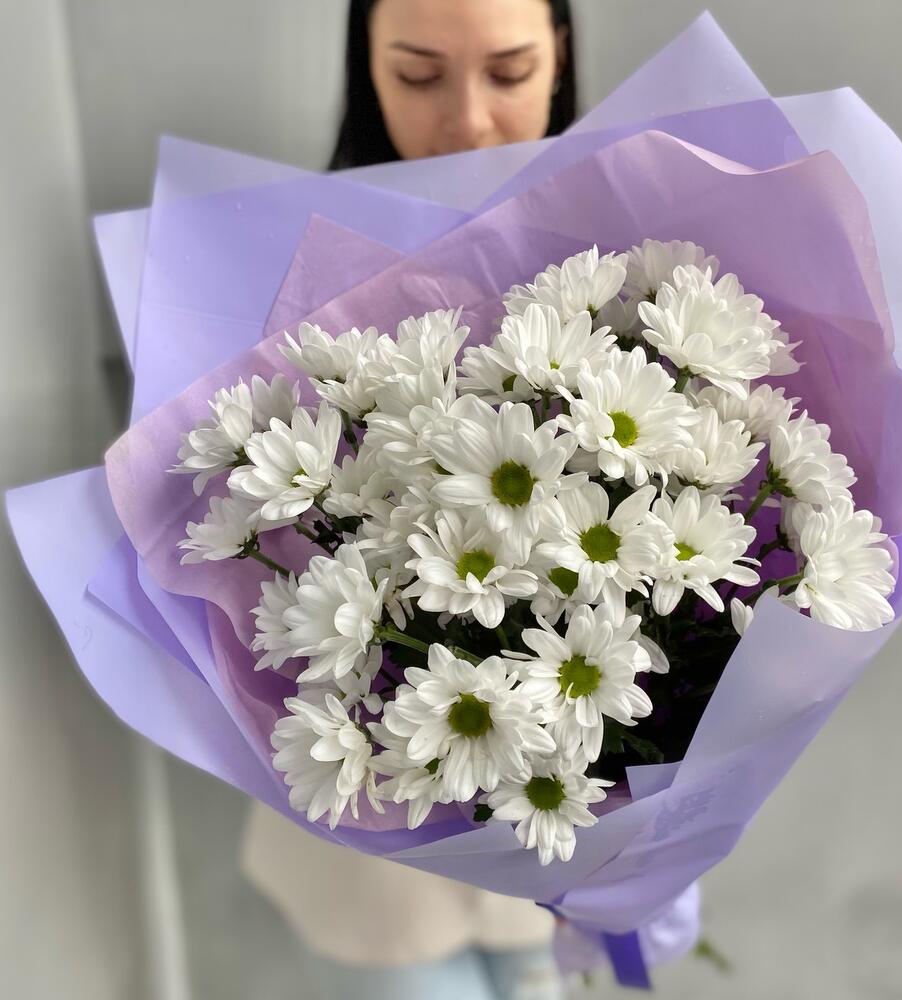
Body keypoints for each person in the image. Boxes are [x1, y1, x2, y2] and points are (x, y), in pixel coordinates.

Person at [241, 3, 578, 998]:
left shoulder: (641, 261)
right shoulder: (283, 283)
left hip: (562, 819)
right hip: (366, 822)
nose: (467, 121)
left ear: (562, 57)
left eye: (510, 72)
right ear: (366, 67)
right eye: (420, 76)